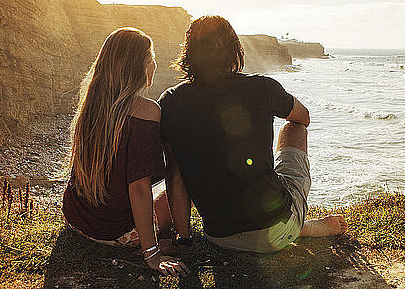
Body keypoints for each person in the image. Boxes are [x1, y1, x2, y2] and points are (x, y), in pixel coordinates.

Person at [159, 16, 347, 253]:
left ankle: (298, 227)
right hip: (273, 229)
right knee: (293, 128)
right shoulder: (262, 87)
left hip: (218, 235)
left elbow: (175, 176)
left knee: (179, 167)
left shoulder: (170, 102)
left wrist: (184, 239)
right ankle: (298, 225)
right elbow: (303, 117)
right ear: (235, 49)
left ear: (189, 53)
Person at [62, 27, 190, 276]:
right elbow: (139, 188)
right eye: (150, 57)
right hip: (114, 233)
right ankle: (156, 241)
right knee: (178, 191)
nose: (154, 63)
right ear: (138, 66)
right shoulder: (147, 111)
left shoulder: (90, 105)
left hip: (76, 219)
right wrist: (152, 255)